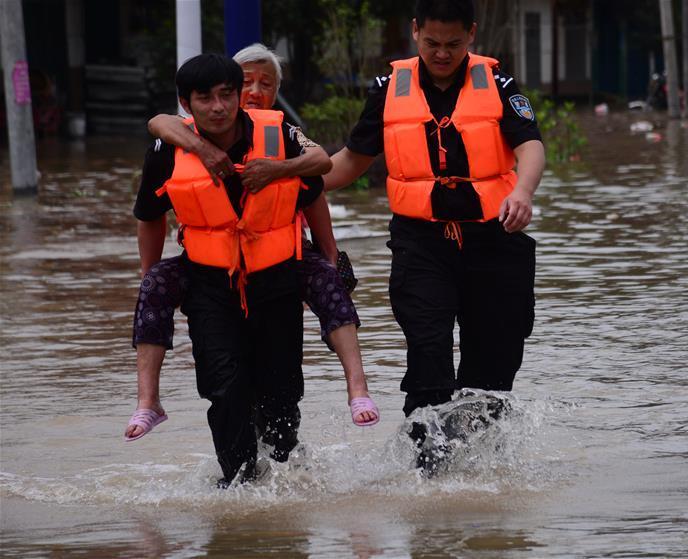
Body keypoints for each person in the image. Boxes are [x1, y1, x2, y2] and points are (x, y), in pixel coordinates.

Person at [323, 0, 544, 471]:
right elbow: (351, 161)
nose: (442, 54)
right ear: (415, 32)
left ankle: (481, 476)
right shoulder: (388, 90)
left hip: (495, 242)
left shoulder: (499, 84)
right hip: (421, 245)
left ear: (472, 35)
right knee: (428, 357)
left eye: (453, 44)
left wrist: (522, 192)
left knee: (492, 370)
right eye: (432, 44)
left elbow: (531, 145)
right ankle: (428, 474)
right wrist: (292, 182)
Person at [125, 44, 378, 442]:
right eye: (246, 84)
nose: (224, 104)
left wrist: (329, 254)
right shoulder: (172, 143)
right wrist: (202, 149)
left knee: (281, 399)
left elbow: (317, 185)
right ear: (188, 103)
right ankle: (156, 408)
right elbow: (151, 192)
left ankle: (355, 393)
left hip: (278, 272)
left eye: (264, 85)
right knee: (225, 390)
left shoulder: (280, 135)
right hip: (211, 278)